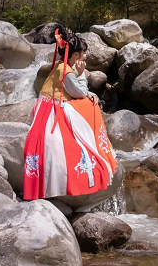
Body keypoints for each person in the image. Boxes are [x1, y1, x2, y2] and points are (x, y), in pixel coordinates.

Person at [23, 26, 117, 200]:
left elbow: (74, 91)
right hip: (54, 109)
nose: (85, 56)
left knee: (90, 99)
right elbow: (79, 93)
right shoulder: (68, 72)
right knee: (91, 105)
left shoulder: (61, 65)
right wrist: (82, 75)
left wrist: (87, 90)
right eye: (84, 53)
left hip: (45, 106)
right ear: (75, 56)